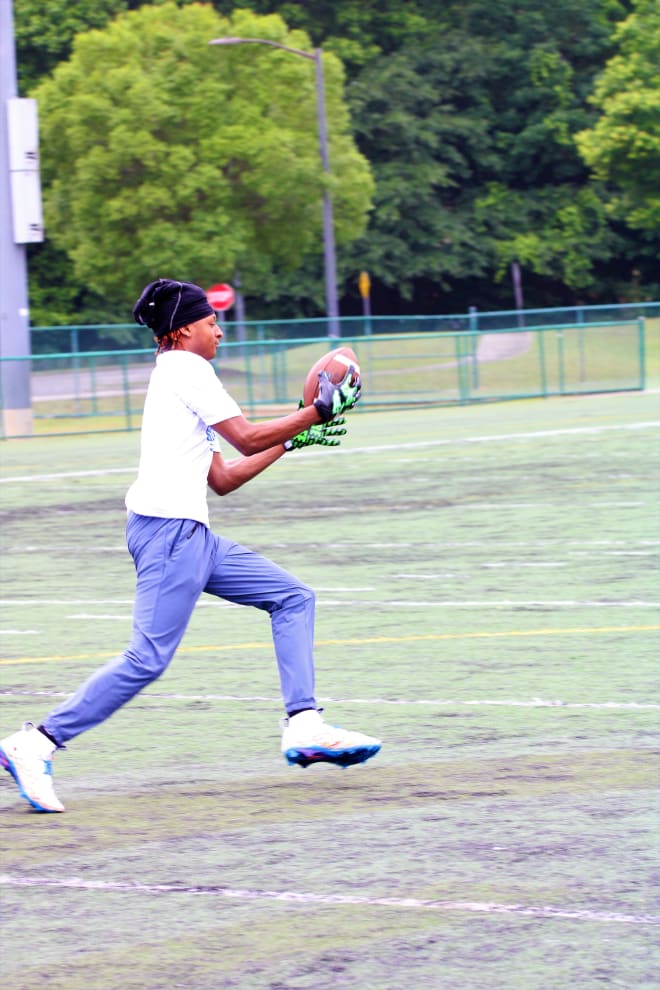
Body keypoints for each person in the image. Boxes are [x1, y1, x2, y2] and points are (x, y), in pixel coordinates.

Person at [0, 278, 381, 813]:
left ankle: (304, 725)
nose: (219, 332)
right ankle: (35, 743)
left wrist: (293, 438)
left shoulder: (178, 374)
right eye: (210, 323)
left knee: (292, 598)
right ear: (182, 332)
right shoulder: (186, 369)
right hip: (167, 532)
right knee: (147, 657)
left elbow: (223, 477)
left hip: (189, 534)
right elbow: (246, 437)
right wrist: (317, 411)